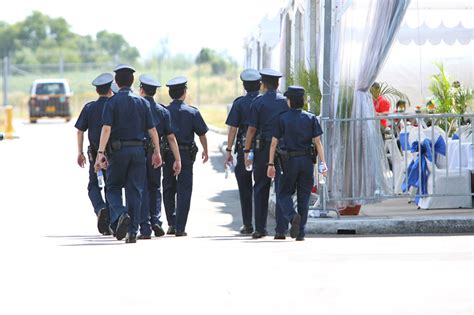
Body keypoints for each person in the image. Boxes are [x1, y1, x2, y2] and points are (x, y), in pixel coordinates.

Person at [94, 64, 162, 244]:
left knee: (113, 187)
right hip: (139, 152)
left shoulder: (112, 102)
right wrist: (157, 152)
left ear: (116, 82)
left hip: (118, 152)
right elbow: (153, 130)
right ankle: (132, 232)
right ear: (132, 81)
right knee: (135, 191)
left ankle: (121, 213)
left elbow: (106, 129)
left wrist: (100, 153)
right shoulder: (143, 102)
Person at [267, 86, 327, 241]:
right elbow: (318, 142)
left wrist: (270, 164)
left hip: (289, 162)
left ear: (290, 101)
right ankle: (301, 233)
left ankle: (292, 217)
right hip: (307, 161)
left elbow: (274, 143)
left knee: (283, 193)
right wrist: (323, 163)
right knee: (304, 197)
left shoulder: (282, 118)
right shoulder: (311, 118)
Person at [244, 68, 288, 239]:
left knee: (261, 187)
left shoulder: (258, 103)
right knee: (281, 188)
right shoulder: (286, 101)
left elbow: (252, 129)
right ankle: (281, 230)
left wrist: (247, 150)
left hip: (263, 148)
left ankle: (260, 228)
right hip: (283, 149)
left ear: (263, 85)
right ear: (277, 84)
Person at [162, 76, 209, 236]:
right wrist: (205, 150)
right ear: (184, 93)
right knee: (184, 189)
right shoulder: (192, 112)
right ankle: (180, 227)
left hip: (167, 153)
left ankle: (171, 223)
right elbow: (202, 133)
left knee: (168, 187)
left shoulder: (164, 111)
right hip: (186, 154)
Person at [137, 74, 181, 239]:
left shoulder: (138, 107)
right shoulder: (163, 110)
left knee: (141, 188)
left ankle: (145, 227)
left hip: (140, 152)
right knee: (155, 187)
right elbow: (170, 137)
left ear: (141, 90)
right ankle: (156, 219)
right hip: (158, 154)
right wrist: (177, 159)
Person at [75, 73, 114, 235]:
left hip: (95, 155)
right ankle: (112, 221)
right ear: (110, 89)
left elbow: (80, 131)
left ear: (97, 90)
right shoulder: (114, 105)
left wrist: (80, 152)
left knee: (93, 185)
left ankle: (100, 207)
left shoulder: (89, 107)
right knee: (112, 187)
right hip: (113, 153)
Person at [224, 69, 261, 235]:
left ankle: (248, 224)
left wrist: (229, 150)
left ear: (244, 86)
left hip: (243, 149)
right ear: (260, 85)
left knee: (245, 189)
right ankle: (261, 225)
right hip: (263, 150)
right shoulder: (263, 102)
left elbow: (233, 129)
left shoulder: (239, 103)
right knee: (262, 187)